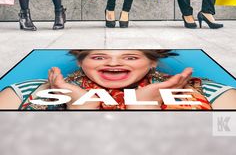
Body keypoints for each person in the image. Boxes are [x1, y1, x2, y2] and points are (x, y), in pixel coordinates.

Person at [0, 49, 236, 110]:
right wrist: (80, 111)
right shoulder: (23, 94)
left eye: (130, 56)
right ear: (81, 61)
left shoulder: (216, 95)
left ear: (152, 61)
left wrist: (144, 109)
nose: (113, 64)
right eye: (100, 56)